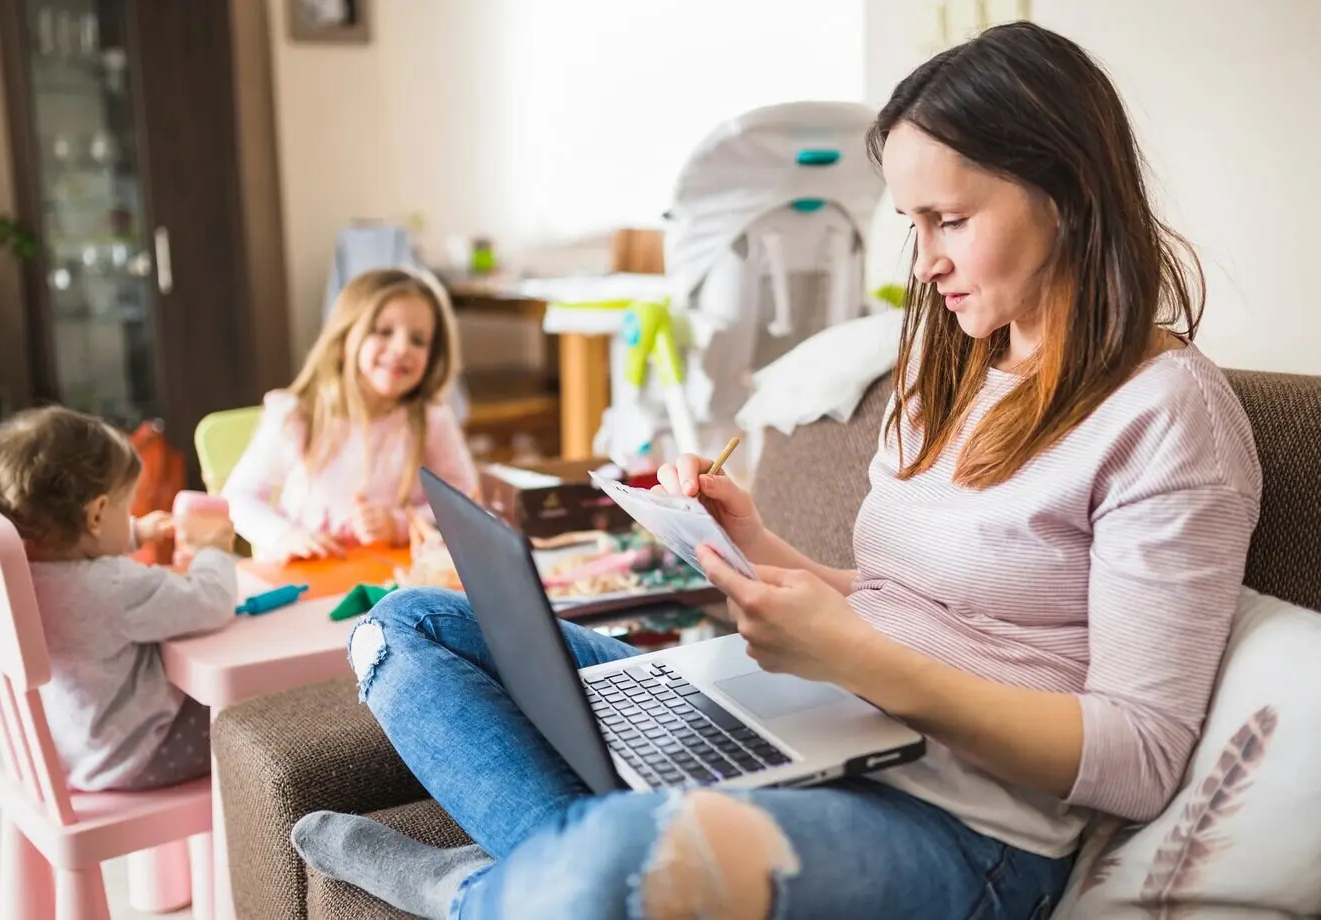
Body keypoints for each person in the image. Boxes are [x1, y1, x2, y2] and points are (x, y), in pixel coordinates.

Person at [288, 22, 1262, 918]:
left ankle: (481, 890)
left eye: (947, 220)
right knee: (405, 626)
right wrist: (750, 543)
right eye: (909, 224)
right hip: (817, 723)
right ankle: (542, 883)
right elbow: (894, 595)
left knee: (617, 861)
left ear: (1069, 194)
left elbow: (1139, 756)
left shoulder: (1167, 415)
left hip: (971, 826)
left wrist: (855, 656)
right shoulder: (948, 367)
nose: (922, 263)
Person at [0, 406, 237, 792]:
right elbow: (212, 600)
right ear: (96, 514)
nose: (131, 515)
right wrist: (211, 551)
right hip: (138, 756)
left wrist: (134, 533)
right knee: (249, 720)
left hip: (63, 754)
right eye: (126, 507)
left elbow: (76, 544)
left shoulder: (10, 572)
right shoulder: (112, 586)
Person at [223, 266, 478, 562]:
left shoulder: (430, 420)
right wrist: (285, 535)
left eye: (418, 340)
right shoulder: (298, 416)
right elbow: (237, 498)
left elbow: (465, 504)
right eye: (383, 331)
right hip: (308, 578)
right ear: (345, 338)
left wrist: (397, 523)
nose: (401, 348)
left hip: (391, 580)